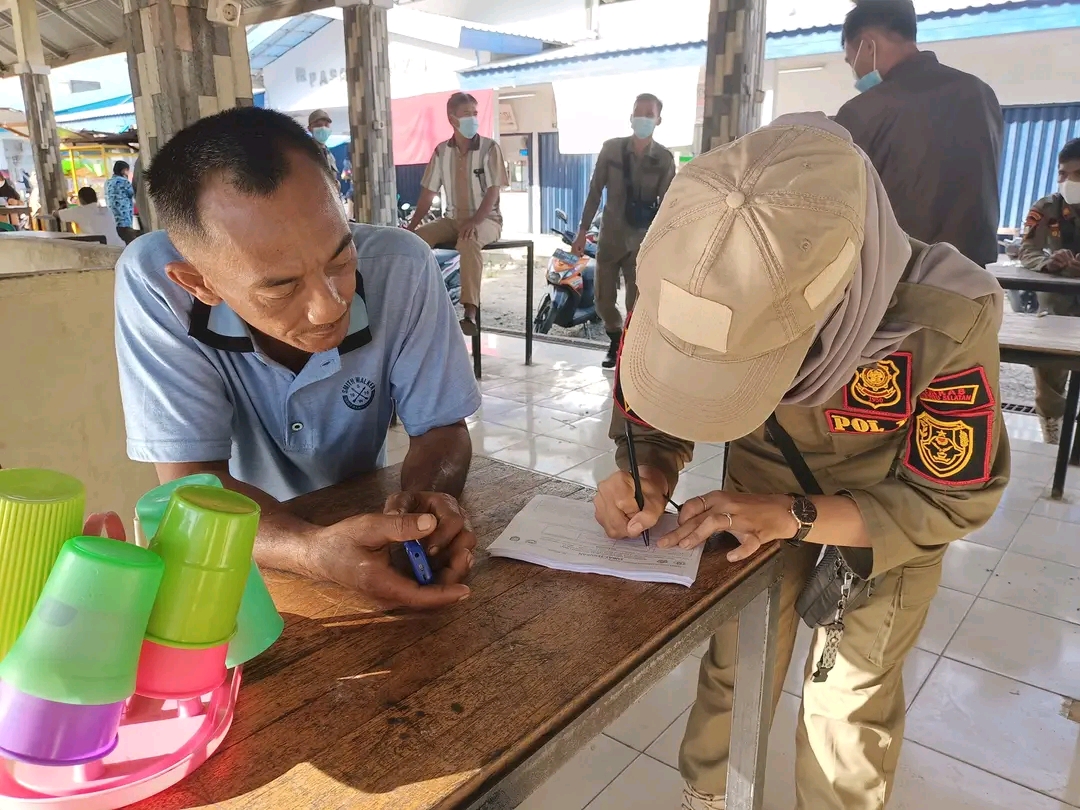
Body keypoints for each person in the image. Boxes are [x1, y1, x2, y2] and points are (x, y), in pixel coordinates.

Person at [592, 114, 1009, 810]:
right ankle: (707, 799)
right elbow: (655, 410)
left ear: (843, 299)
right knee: (733, 666)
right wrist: (652, 473)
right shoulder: (687, 272)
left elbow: (943, 498)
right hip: (758, 481)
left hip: (886, 513)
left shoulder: (943, 318)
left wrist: (795, 516)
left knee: (846, 705)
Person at [115, 107, 482, 611]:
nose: (331, 304)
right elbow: (194, 483)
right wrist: (310, 551)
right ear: (201, 283)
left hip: (359, 506)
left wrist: (422, 503)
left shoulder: (402, 266)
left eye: (341, 258)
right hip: (234, 559)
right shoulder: (155, 284)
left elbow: (442, 427)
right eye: (281, 286)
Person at [834, 2, 1003, 268]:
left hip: (901, 281)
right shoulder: (980, 93)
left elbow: (839, 207)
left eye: (851, 60)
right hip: (972, 280)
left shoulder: (865, 111)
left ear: (868, 46)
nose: (855, 71)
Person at [572, 93, 676, 369]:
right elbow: (595, 191)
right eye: (638, 112)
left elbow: (669, 204)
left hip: (642, 241)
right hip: (611, 237)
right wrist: (582, 231)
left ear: (658, 120)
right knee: (603, 300)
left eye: (649, 113)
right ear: (631, 117)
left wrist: (667, 243)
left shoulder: (664, 158)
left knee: (636, 302)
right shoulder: (611, 149)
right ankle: (615, 337)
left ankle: (628, 348)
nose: (643, 118)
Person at [407, 92, 507, 336]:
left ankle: (470, 311)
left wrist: (475, 221)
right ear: (452, 119)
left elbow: (493, 192)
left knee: (469, 239)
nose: (473, 118)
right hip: (452, 219)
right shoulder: (442, 152)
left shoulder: (489, 148)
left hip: (487, 220)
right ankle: (414, 303)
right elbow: (428, 192)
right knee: (413, 242)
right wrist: (412, 226)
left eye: (475, 113)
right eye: (466, 114)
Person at [1017, 138, 1080, 444]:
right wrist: (1048, 263)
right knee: (1050, 374)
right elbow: (1026, 250)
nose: (1067, 181)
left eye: (1076, 174)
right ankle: (1052, 437)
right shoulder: (1045, 208)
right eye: (1062, 173)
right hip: (1056, 303)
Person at [57, 187, 124, 247]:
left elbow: (57, 214)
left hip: (100, 249)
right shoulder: (107, 210)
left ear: (80, 199)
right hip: (120, 247)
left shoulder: (81, 211)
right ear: (96, 198)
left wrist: (57, 210)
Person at [105, 161, 138, 244]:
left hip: (113, 219)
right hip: (124, 219)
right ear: (123, 170)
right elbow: (133, 193)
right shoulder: (124, 182)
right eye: (127, 170)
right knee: (129, 242)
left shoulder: (107, 182)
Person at [308, 109, 338, 177]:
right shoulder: (306, 153)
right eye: (318, 125)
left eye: (326, 125)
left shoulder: (330, 155)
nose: (323, 128)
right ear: (309, 129)